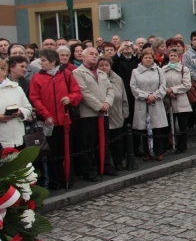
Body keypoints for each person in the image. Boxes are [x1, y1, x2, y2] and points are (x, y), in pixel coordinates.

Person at [29, 50, 82, 189]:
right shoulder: (37, 78)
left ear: (53, 62)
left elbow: (77, 93)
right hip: (49, 122)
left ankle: (67, 178)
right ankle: (54, 181)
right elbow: (35, 98)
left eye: (44, 60)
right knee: (51, 153)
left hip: (65, 120)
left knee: (65, 151)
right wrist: (46, 115)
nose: (41, 63)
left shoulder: (66, 75)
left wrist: (70, 99)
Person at [72, 47, 116, 180]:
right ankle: (89, 170)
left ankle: (105, 166)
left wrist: (107, 103)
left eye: (96, 54)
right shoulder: (77, 72)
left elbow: (110, 89)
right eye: (91, 54)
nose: (95, 56)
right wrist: (99, 106)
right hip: (89, 114)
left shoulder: (102, 73)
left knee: (104, 141)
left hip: (104, 112)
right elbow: (84, 92)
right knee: (88, 143)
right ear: (83, 57)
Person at [131, 48, 168, 161]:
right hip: (142, 103)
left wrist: (154, 96)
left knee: (157, 128)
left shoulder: (158, 70)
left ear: (153, 59)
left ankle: (159, 152)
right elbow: (133, 87)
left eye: (150, 57)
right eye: (145, 57)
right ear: (142, 59)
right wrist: (146, 96)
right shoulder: (135, 71)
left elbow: (163, 86)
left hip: (156, 102)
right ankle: (147, 152)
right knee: (144, 129)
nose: (148, 59)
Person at [97, 55, 129, 170]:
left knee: (117, 142)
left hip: (116, 115)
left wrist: (125, 113)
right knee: (104, 143)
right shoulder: (96, 79)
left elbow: (124, 97)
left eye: (106, 65)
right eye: (101, 66)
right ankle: (106, 165)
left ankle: (118, 162)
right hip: (102, 116)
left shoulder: (117, 79)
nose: (104, 68)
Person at [162, 49, 192, 154]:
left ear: (179, 57)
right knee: (168, 125)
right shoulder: (163, 69)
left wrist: (173, 90)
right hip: (167, 99)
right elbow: (161, 84)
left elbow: (187, 85)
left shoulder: (184, 69)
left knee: (182, 125)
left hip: (181, 99)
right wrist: (167, 91)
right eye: (171, 55)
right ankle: (167, 144)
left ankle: (181, 146)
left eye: (174, 55)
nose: (172, 57)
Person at [0, 58, 32, 150]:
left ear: (4, 71)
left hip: (18, 140)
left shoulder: (16, 88)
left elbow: (28, 108)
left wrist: (20, 112)